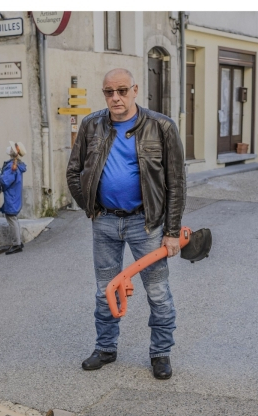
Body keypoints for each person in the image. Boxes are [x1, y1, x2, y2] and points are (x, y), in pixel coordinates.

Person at [66, 68, 186, 380]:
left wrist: (172, 232)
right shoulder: (92, 125)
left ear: (135, 90)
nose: (115, 98)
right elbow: (74, 171)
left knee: (158, 292)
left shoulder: (162, 126)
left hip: (146, 224)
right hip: (104, 222)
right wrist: (89, 207)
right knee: (104, 290)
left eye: (121, 90)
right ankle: (105, 348)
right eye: (109, 92)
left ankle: (161, 353)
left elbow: (176, 184)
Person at [0, 141, 27, 255]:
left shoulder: (12, 166)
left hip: (11, 196)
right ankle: (18, 241)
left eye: (11, 147)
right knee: (13, 218)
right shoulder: (17, 165)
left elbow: (5, 181)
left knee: (11, 218)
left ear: (12, 152)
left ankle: (16, 244)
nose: (9, 148)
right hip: (15, 195)